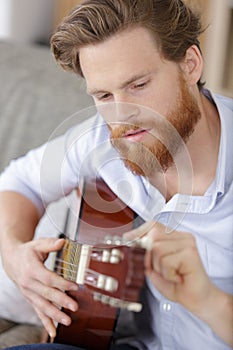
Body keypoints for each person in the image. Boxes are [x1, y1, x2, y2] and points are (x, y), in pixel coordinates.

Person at [0, 0, 232, 349]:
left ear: (190, 65)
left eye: (138, 85)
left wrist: (209, 301)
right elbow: (19, 183)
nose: (123, 114)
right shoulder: (103, 140)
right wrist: (15, 256)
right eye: (105, 95)